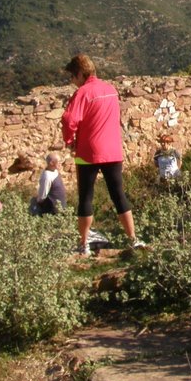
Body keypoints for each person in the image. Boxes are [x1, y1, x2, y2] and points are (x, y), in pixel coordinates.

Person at [61, 54, 145, 256]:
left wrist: (70, 141)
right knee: (118, 195)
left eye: (73, 77)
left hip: (88, 152)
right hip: (113, 150)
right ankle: (133, 238)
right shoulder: (110, 90)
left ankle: (83, 244)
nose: (72, 82)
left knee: (85, 198)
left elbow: (68, 119)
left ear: (80, 74)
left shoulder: (83, 93)